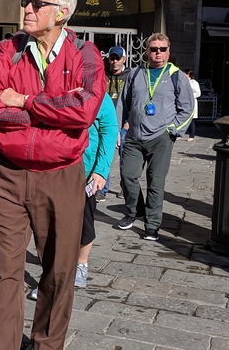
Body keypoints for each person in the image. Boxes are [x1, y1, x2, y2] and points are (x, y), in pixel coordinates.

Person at [0, 0, 106, 350]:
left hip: (61, 175)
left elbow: (84, 109)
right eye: (25, 2)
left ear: (61, 13)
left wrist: (26, 102)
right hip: (6, 173)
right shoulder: (7, 49)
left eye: (35, 3)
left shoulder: (85, 54)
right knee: (6, 269)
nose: (26, 9)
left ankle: (45, 347)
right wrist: (47, 113)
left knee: (59, 267)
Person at [31, 92, 117, 297]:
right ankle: (53, 278)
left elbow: (109, 129)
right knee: (52, 225)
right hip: (52, 169)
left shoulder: (97, 93)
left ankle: (81, 264)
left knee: (83, 223)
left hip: (84, 171)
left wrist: (100, 171)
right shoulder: (52, 88)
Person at [115, 33, 195, 241]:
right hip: (134, 135)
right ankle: (134, 211)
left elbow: (187, 108)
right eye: (153, 49)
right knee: (127, 176)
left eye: (162, 49)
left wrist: (173, 130)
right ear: (147, 51)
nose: (158, 53)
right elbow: (123, 103)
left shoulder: (177, 76)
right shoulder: (136, 73)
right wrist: (117, 131)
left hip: (160, 137)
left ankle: (152, 225)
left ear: (168, 51)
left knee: (155, 182)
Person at [100, 45, 130, 201]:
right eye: (112, 58)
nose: (115, 61)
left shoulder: (130, 76)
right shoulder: (103, 76)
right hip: (106, 123)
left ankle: (125, 187)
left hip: (124, 123)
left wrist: (128, 122)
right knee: (104, 155)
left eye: (118, 58)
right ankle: (101, 188)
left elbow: (135, 99)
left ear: (124, 59)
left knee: (125, 158)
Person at [184, 69, 201, 141]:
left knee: (191, 120)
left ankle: (191, 135)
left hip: (191, 102)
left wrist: (189, 96)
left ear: (188, 74)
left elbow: (198, 93)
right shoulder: (183, 82)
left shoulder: (194, 83)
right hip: (184, 102)